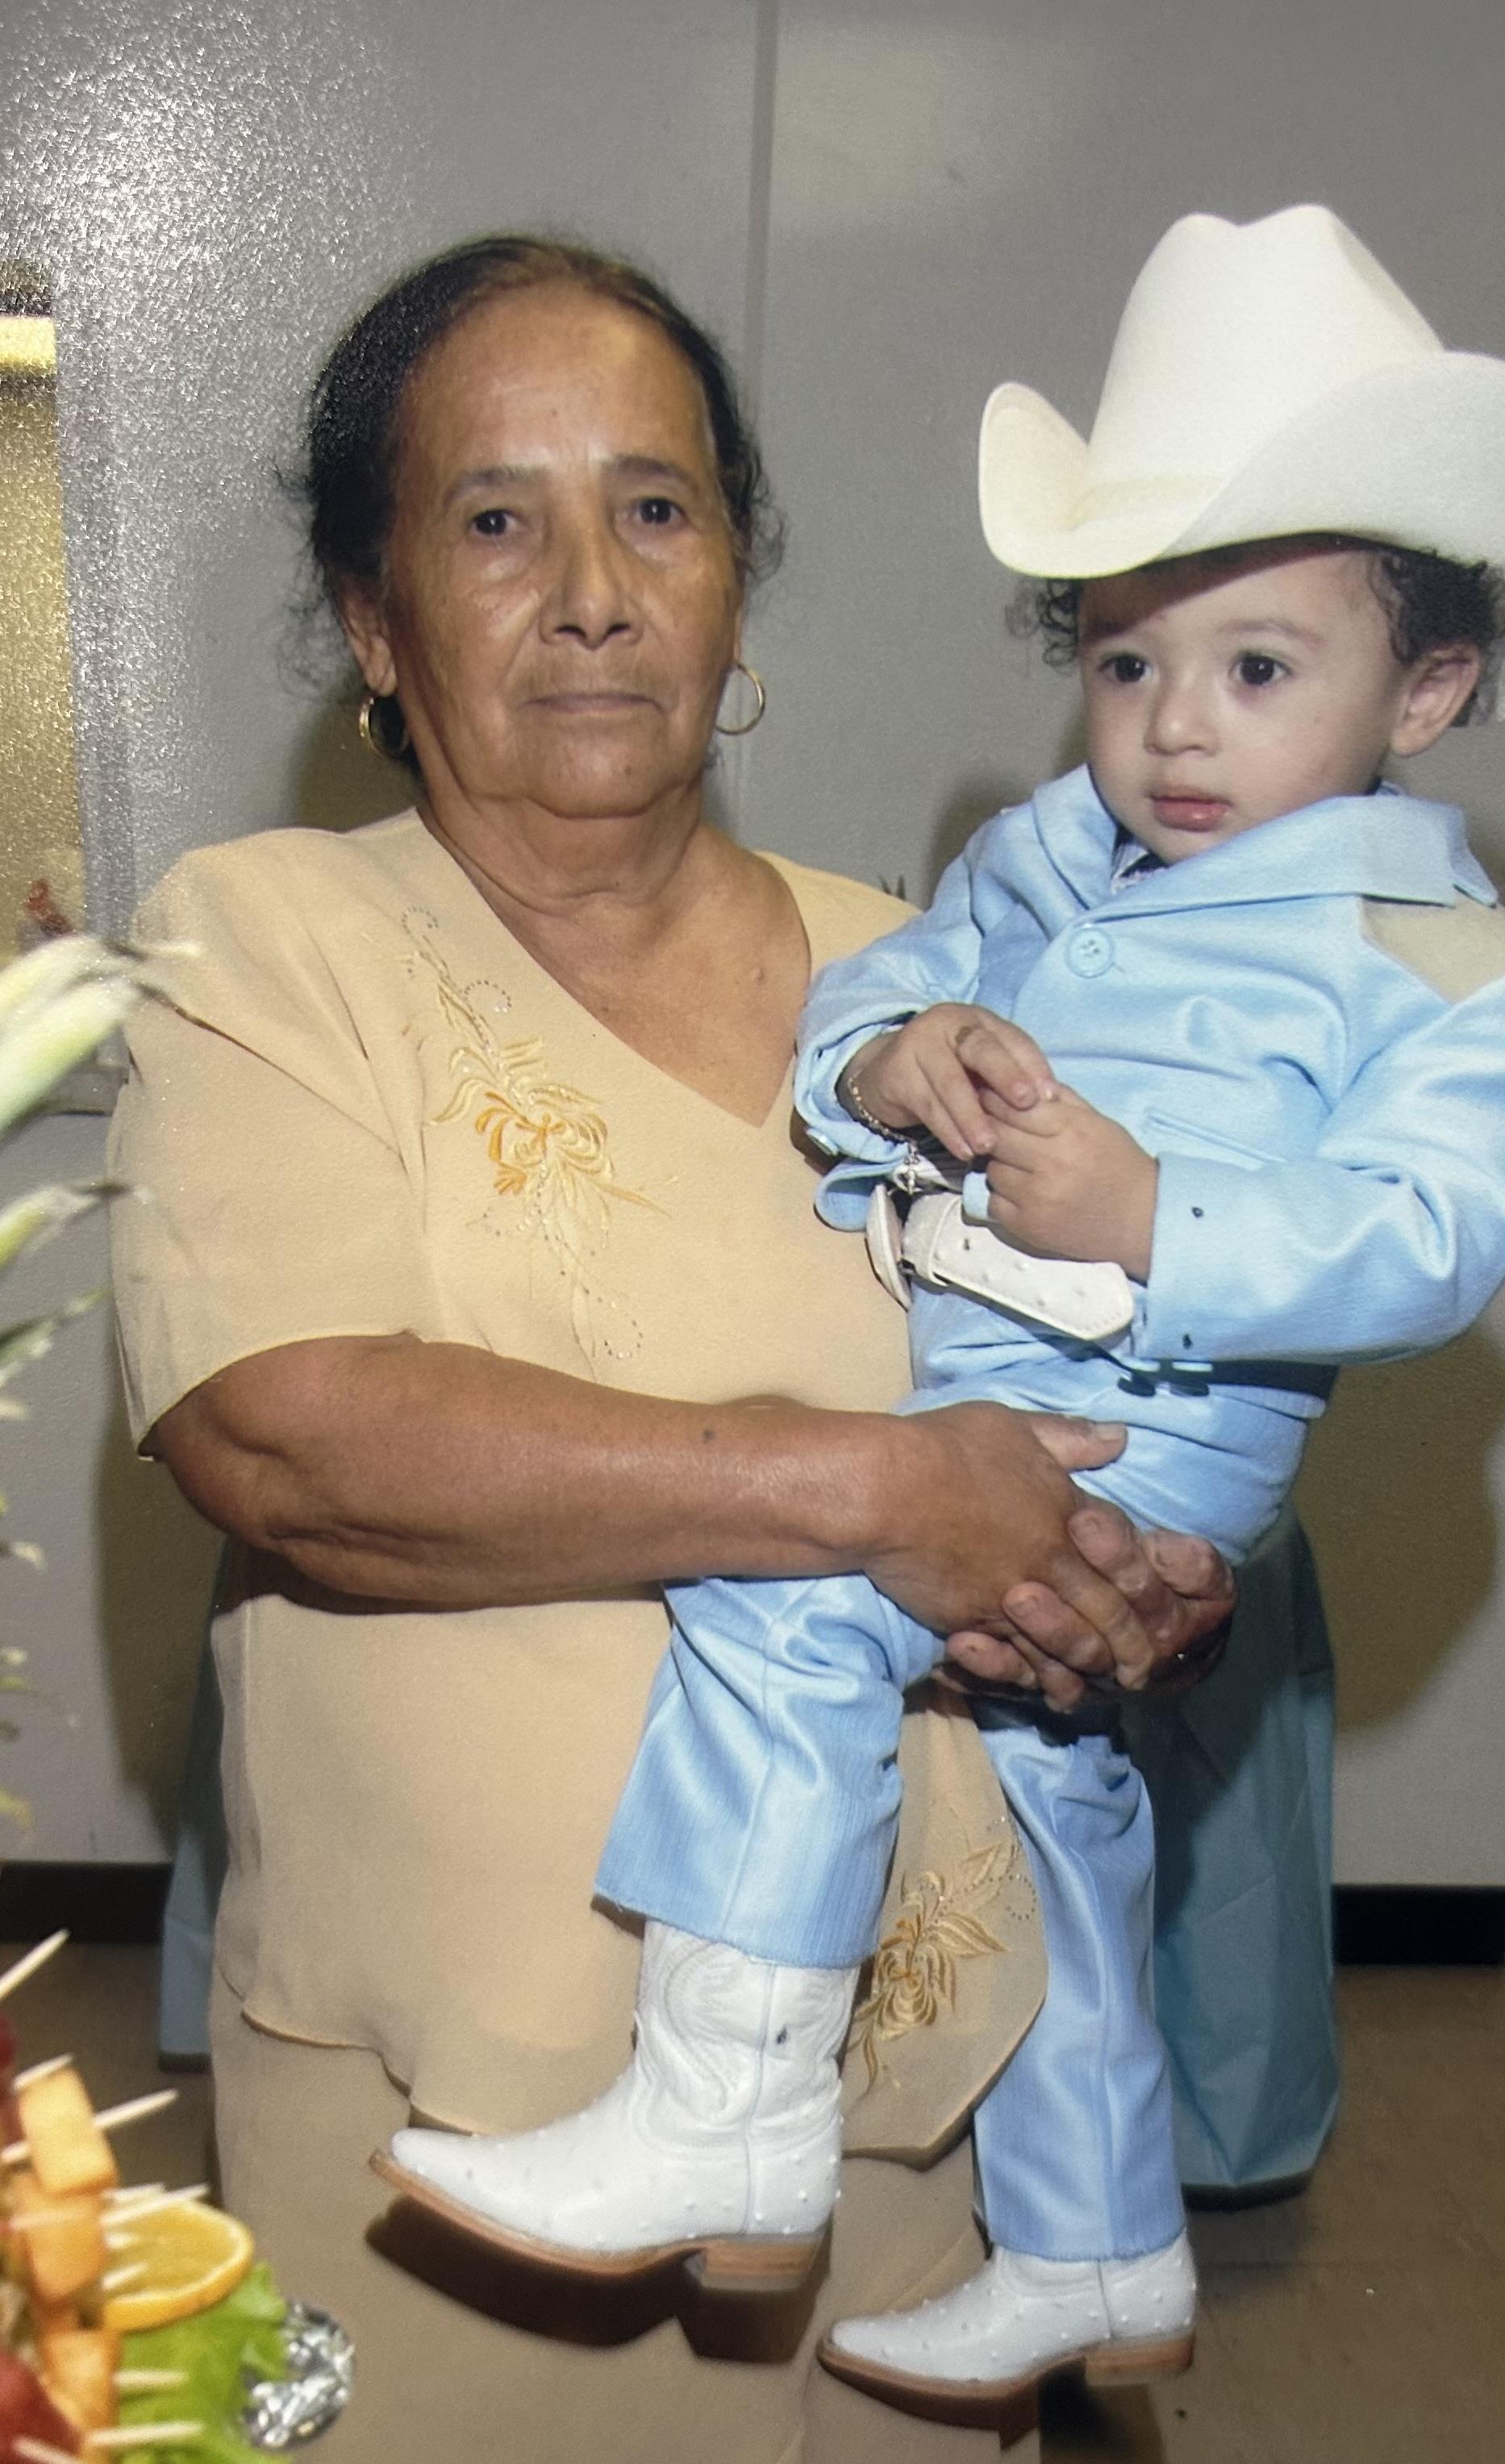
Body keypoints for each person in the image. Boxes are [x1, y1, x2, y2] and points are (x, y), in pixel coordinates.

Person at [377, 206, 1505, 2431]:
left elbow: (1439, 1231)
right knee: (1065, 1824)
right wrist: (892, 1058)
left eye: (1257, 668)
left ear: (1420, 693)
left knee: (779, 1604)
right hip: (986, 1366)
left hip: (1153, 1423)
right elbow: (882, 973)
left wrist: (1164, 1211)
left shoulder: (1441, 956)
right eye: (1124, 663)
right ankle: (1096, 2246)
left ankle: (725, 2099)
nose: (1173, 731)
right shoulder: (1057, 855)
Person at [106, 233, 1235, 2464]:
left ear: (732, 586)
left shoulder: (922, 983)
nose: (593, 589)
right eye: (494, 519)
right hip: (467, 2106)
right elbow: (294, 1442)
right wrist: (887, 1495)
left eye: (656, 506)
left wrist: (1144, 1579)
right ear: (375, 621)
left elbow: (1134, 1386)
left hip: (910, 2074)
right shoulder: (271, 941)